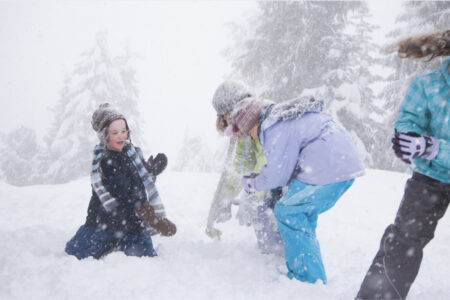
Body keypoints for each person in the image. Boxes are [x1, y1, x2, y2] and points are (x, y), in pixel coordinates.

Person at [228, 96, 364, 284]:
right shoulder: (281, 119)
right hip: (342, 165)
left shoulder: (272, 127)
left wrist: (252, 184)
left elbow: (277, 175)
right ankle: (306, 270)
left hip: (325, 165)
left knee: (288, 212)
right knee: (301, 214)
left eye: (246, 132)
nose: (250, 136)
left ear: (251, 124)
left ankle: (307, 278)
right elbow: (282, 167)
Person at [356, 29, 450, 300]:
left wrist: (434, 147)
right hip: (429, 177)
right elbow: (410, 119)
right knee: (404, 239)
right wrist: (408, 136)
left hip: (433, 160)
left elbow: (433, 147)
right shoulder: (429, 84)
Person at [65, 103, 176, 260]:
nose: (121, 136)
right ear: (105, 136)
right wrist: (149, 216)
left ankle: (121, 243)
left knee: (145, 255)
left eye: (124, 131)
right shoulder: (105, 160)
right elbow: (122, 190)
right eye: (115, 132)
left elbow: (141, 176)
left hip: (131, 224)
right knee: (77, 252)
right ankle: (110, 243)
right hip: (106, 220)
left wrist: (151, 170)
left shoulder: (132, 153)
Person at [206, 80, 284, 256]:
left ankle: (278, 260)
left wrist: (254, 195)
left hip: (283, 182)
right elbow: (241, 164)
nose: (225, 119)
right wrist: (227, 197)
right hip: (270, 182)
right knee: (262, 216)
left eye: (226, 114)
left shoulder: (265, 116)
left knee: (267, 214)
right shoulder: (244, 128)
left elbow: (269, 160)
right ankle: (271, 259)